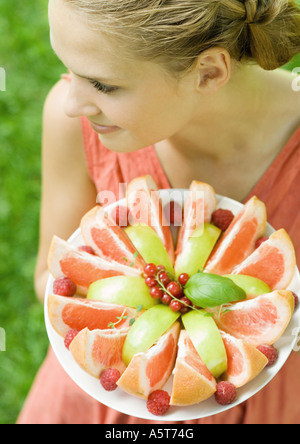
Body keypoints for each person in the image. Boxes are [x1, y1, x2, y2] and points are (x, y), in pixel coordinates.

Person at [17, 0, 300, 424]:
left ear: (208, 73)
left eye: (102, 84)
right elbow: (50, 278)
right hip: (111, 388)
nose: (72, 102)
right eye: (67, 67)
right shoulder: (70, 122)